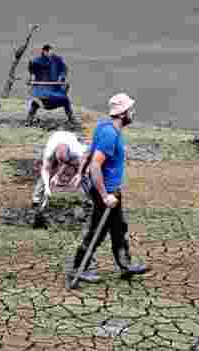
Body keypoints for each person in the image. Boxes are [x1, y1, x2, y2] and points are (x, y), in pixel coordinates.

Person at [66, 93, 148, 289]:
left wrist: (79, 173)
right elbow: (96, 165)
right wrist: (105, 196)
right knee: (98, 230)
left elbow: (88, 152)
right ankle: (78, 268)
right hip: (106, 191)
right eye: (130, 110)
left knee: (118, 228)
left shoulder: (104, 126)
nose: (133, 113)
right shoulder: (110, 134)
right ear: (123, 114)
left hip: (110, 191)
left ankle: (125, 264)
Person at [32, 130, 88, 226]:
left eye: (64, 162)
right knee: (46, 175)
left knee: (84, 175)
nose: (61, 165)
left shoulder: (77, 150)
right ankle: (36, 200)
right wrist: (47, 187)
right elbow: (45, 170)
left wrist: (78, 174)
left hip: (70, 141)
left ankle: (89, 200)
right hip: (57, 139)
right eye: (59, 162)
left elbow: (83, 162)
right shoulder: (49, 151)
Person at [26, 44, 75, 125]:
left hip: (54, 89)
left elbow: (63, 69)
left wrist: (61, 77)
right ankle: (29, 119)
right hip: (41, 89)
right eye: (48, 52)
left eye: (51, 52)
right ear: (44, 52)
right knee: (36, 103)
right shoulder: (37, 61)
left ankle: (71, 118)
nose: (50, 54)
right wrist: (31, 77)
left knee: (65, 101)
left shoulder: (57, 60)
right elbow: (32, 70)